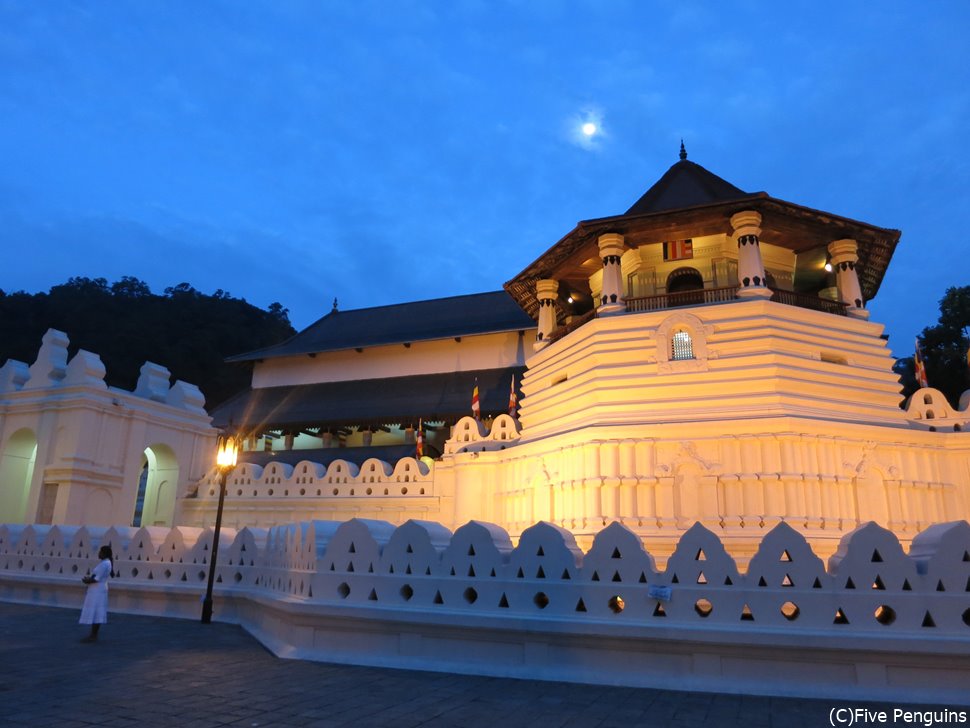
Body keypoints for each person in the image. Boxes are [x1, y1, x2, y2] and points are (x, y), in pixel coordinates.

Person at [79, 544, 113, 642]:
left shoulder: (105, 564)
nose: (98, 553)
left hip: (98, 590)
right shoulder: (105, 563)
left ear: (104, 553)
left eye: (100, 552)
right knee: (96, 611)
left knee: (97, 611)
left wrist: (87, 580)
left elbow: (97, 579)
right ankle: (93, 635)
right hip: (97, 590)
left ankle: (93, 635)